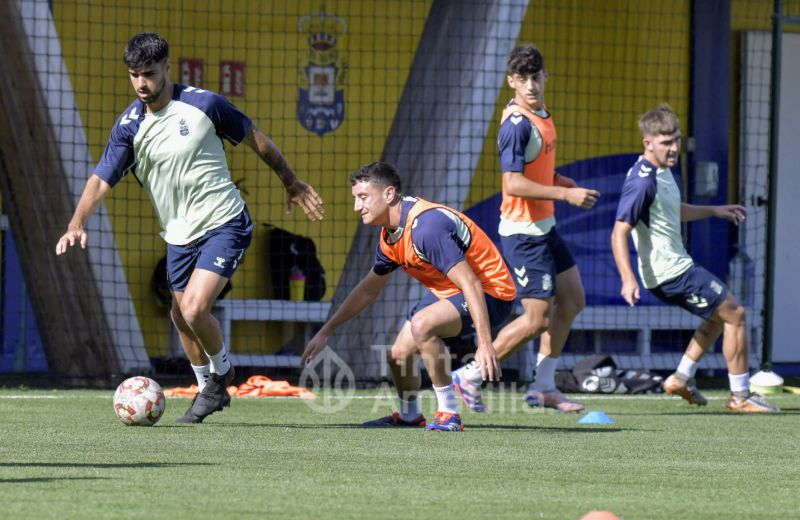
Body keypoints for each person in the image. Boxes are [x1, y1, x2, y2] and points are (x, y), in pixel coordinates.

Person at [55, 33, 324, 423]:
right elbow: (100, 180)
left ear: (167, 67)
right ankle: (208, 389)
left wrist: (291, 181)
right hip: (178, 236)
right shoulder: (129, 127)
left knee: (196, 309)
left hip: (225, 221)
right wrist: (76, 221)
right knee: (180, 316)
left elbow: (257, 140)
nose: (141, 84)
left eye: (148, 73)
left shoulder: (205, 104)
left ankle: (224, 371)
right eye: (134, 75)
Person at [301, 162, 517, 431]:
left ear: (389, 194)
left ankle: (449, 413)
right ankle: (409, 415)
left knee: (422, 325)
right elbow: (369, 288)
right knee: (398, 355)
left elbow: (471, 283)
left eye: (363, 197)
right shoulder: (389, 236)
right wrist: (327, 330)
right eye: (356, 198)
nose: (357, 206)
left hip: (492, 293)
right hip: (451, 290)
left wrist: (485, 344)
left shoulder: (426, 228)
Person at [451, 43, 599, 413]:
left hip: (544, 228)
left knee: (573, 299)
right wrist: (565, 196)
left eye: (535, 77)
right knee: (536, 319)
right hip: (523, 234)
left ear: (545, 77)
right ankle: (467, 376)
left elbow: (539, 168)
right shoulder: (516, 125)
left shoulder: (543, 114)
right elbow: (513, 183)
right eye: (522, 79)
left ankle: (543, 387)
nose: (530, 85)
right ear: (510, 82)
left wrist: (561, 182)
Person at [610, 103, 778, 413]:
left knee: (719, 317)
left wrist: (715, 210)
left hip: (675, 268)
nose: (673, 148)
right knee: (736, 314)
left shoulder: (663, 170)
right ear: (648, 143)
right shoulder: (642, 181)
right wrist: (627, 278)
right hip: (671, 272)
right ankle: (740, 396)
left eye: (676, 139)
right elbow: (619, 232)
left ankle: (680, 377)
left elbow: (673, 210)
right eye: (666, 142)